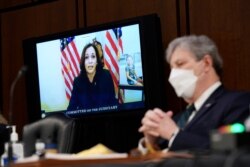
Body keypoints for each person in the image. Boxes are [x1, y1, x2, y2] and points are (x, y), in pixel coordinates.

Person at [138, 35, 250, 153]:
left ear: (206, 63)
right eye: (172, 68)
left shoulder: (238, 102)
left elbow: (231, 149)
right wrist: (150, 141)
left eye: (180, 64)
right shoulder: (177, 119)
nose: (173, 75)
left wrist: (174, 134)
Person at [67, 43, 118, 111]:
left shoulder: (106, 75)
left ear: (97, 61)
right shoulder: (77, 82)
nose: (90, 61)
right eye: (86, 57)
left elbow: (112, 102)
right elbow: (71, 109)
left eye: (93, 57)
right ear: (83, 61)